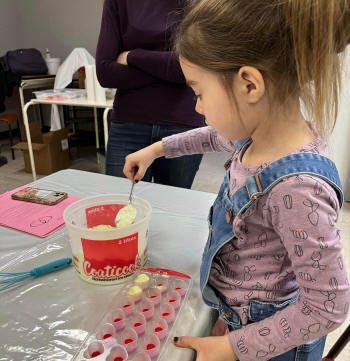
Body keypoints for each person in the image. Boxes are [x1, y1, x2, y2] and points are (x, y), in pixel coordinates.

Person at [123, 0, 350, 360]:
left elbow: (327, 307)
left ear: (249, 84)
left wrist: (234, 347)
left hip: (272, 345)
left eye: (199, 92)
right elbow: (210, 137)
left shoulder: (298, 189)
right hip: (236, 316)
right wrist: (156, 150)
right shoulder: (253, 135)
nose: (197, 107)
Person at [95, 0, 203, 188]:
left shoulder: (196, 3)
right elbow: (105, 72)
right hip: (129, 123)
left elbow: (191, 67)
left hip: (182, 125)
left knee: (172, 209)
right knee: (122, 205)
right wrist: (167, 69)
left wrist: (131, 57)